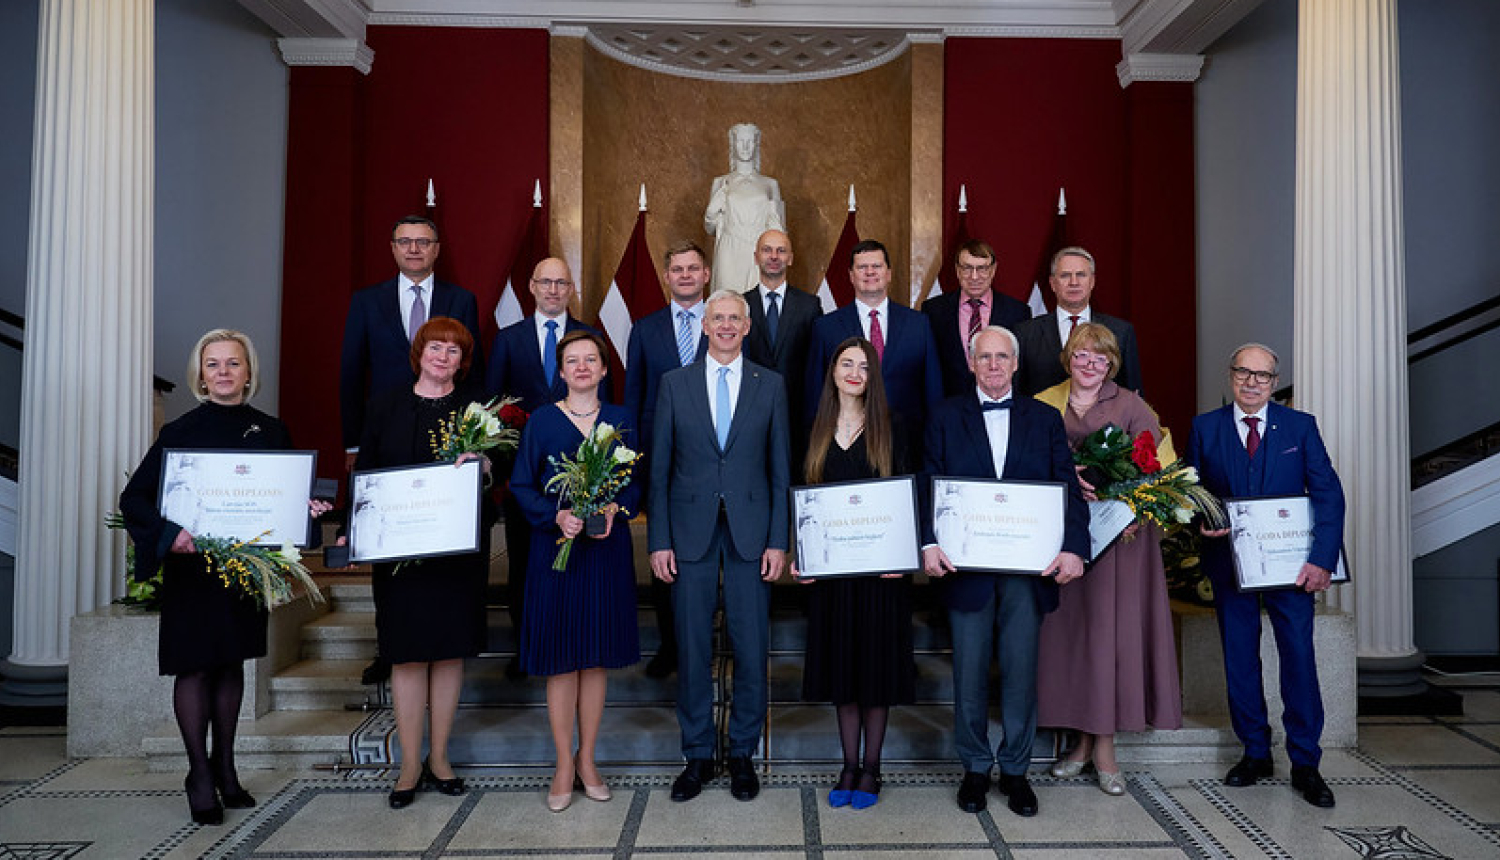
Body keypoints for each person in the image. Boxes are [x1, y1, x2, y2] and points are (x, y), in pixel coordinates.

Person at [119, 329, 330, 826]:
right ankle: (198, 773)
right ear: (200, 374)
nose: (223, 373)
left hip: (241, 573)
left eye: (233, 364)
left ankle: (226, 768)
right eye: (212, 364)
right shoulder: (179, 434)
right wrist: (170, 533)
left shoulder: (272, 431)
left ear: (249, 372)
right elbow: (135, 500)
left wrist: (308, 511)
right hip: (194, 571)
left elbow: (289, 501)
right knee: (194, 668)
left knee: (231, 665)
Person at [920, 325, 1089, 818]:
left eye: (1002, 357)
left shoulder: (1043, 418)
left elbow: (1066, 488)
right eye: (984, 357)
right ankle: (974, 767)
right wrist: (929, 541)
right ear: (971, 363)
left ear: (1016, 365)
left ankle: (1015, 770)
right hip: (965, 569)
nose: (993, 365)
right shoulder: (945, 415)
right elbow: (929, 482)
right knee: (968, 673)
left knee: (1020, 673)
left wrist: (1074, 548)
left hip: (1026, 572)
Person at [1186, 343, 1345, 809]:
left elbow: (1328, 495)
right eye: (1244, 372)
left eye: (1263, 375)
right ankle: (1255, 751)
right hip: (1230, 565)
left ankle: (1305, 761)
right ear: (1231, 375)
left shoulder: (1300, 427)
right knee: (1239, 658)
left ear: (1275, 383)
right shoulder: (1205, 428)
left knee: (1298, 657)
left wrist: (1322, 558)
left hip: (1291, 567)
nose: (1252, 381)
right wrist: (1200, 521)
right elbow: (1193, 494)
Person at [648, 289, 790, 803]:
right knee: (692, 648)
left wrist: (780, 540)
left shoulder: (770, 385)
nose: (727, 325)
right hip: (688, 533)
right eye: (718, 318)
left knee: (751, 648)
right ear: (703, 325)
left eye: (735, 318)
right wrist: (658, 540)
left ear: (747, 327)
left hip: (754, 534)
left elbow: (781, 470)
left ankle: (743, 754)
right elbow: (660, 471)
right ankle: (698, 754)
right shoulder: (674, 384)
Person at [1033, 323, 1183, 797]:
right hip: (1063, 541)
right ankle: (1078, 744)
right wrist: (1065, 476)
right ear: (1068, 359)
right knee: (1073, 643)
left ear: (1112, 363)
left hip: (1119, 546)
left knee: (1108, 644)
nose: (1091, 364)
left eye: (1100, 358)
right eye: (1082, 355)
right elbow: (1026, 463)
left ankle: (1103, 750)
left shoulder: (1132, 405)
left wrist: (1130, 503)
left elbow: (1159, 472)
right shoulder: (1043, 402)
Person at [351, 316, 494, 810]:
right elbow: (366, 473)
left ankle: (440, 758)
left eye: (454, 351)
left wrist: (486, 466)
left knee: (449, 652)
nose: (443, 356)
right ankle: (409, 763)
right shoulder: (384, 405)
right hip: (398, 557)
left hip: (455, 557)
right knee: (407, 655)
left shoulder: (477, 412)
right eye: (435, 347)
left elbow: (497, 484)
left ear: (463, 360)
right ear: (419, 352)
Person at [509, 330, 641, 812]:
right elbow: (521, 485)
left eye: (591, 360)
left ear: (605, 369)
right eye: (572, 360)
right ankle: (564, 762)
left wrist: (615, 510)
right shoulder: (543, 421)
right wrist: (555, 516)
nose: (582, 367)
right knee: (563, 660)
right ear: (560, 371)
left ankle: (589, 758)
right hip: (556, 553)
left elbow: (634, 485)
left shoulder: (621, 419)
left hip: (604, 553)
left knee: (594, 658)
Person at [794, 338, 914, 810]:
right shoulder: (814, 428)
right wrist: (801, 554)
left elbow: (907, 496)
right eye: (846, 363)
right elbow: (802, 497)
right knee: (843, 670)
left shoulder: (893, 426)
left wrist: (900, 556)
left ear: (873, 375)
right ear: (832, 370)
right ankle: (848, 764)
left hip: (881, 577)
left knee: (875, 673)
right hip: (832, 578)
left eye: (864, 366)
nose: (854, 372)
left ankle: (872, 768)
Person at [485, 257, 604, 681]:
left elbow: (601, 404)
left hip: (585, 475)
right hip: (527, 478)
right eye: (546, 282)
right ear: (532, 286)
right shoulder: (508, 339)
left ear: (571, 288)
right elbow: (492, 410)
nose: (553, 289)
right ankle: (526, 647)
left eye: (562, 283)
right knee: (523, 564)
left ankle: (577, 645)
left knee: (578, 566)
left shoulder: (589, 336)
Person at [624, 242, 710, 679]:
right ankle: (671, 645)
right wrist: (638, 464)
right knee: (664, 553)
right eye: (677, 269)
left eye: (693, 268)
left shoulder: (725, 324)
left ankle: (710, 643)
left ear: (707, 274)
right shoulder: (644, 329)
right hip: (662, 461)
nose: (685, 276)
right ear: (666, 275)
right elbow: (635, 399)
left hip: (713, 460)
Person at [340, 216, 483, 467]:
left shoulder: (462, 300)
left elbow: (473, 371)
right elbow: (352, 374)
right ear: (393, 248)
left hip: (448, 430)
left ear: (436, 249)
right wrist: (353, 443)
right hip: (384, 430)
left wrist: (473, 436)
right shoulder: (366, 302)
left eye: (423, 242)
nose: (414, 249)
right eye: (405, 242)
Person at [807, 240, 942, 463]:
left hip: (908, 447)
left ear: (888, 273)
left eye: (877, 266)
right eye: (862, 267)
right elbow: (815, 394)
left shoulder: (919, 325)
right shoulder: (825, 327)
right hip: (845, 448)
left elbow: (933, 391)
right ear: (851, 275)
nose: (870, 272)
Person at [742, 229, 824, 478]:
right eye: (767, 250)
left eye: (781, 250)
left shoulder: (810, 305)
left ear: (791, 258)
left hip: (798, 416)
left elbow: (816, 360)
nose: (774, 256)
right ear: (756, 257)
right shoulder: (740, 305)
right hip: (750, 414)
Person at [1012, 247, 1141, 396]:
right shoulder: (1025, 333)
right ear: (1053, 283)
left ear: (1092, 281)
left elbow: (1134, 396)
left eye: (1081, 275)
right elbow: (1017, 393)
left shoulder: (1121, 332)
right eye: (1065, 275)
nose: (1074, 282)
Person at [922, 240, 1031, 397]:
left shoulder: (1018, 312)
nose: (974, 276)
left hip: (1000, 403)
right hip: (950, 407)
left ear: (993, 270)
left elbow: (1021, 369)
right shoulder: (933, 310)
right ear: (957, 271)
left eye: (982, 269)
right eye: (967, 268)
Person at [704, 123, 785, 293]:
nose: (746, 147)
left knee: (759, 304)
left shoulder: (770, 184)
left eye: (750, 141)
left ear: (756, 144)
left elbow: (780, 232)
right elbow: (710, 228)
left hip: (760, 249)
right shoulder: (721, 182)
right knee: (727, 302)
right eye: (741, 141)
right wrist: (711, 211)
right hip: (729, 250)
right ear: (733, 145)